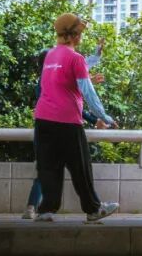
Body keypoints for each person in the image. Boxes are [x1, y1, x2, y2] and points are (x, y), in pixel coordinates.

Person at [33, 13, 119, 223]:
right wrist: (105, 117)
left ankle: (45, 211)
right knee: (80, 167)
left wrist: (97, 55)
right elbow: (88, 93)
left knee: (48, 166)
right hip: (67, 121)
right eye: (80, 32)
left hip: (43, 119)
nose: (82, 35)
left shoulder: (51, 55)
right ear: (73, 35)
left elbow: (78, 67)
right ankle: (93, 209)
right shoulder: (75, 58)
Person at [22, 45, 108, 220]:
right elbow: (69, 92)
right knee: (76, 168)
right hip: (62, 126)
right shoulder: (50, 79)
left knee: (47, 168)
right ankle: (91, 209)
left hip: (47, 126)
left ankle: (41, 210)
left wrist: (92, 65)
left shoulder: (49, 77)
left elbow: (73, 75)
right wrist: (100, 118)